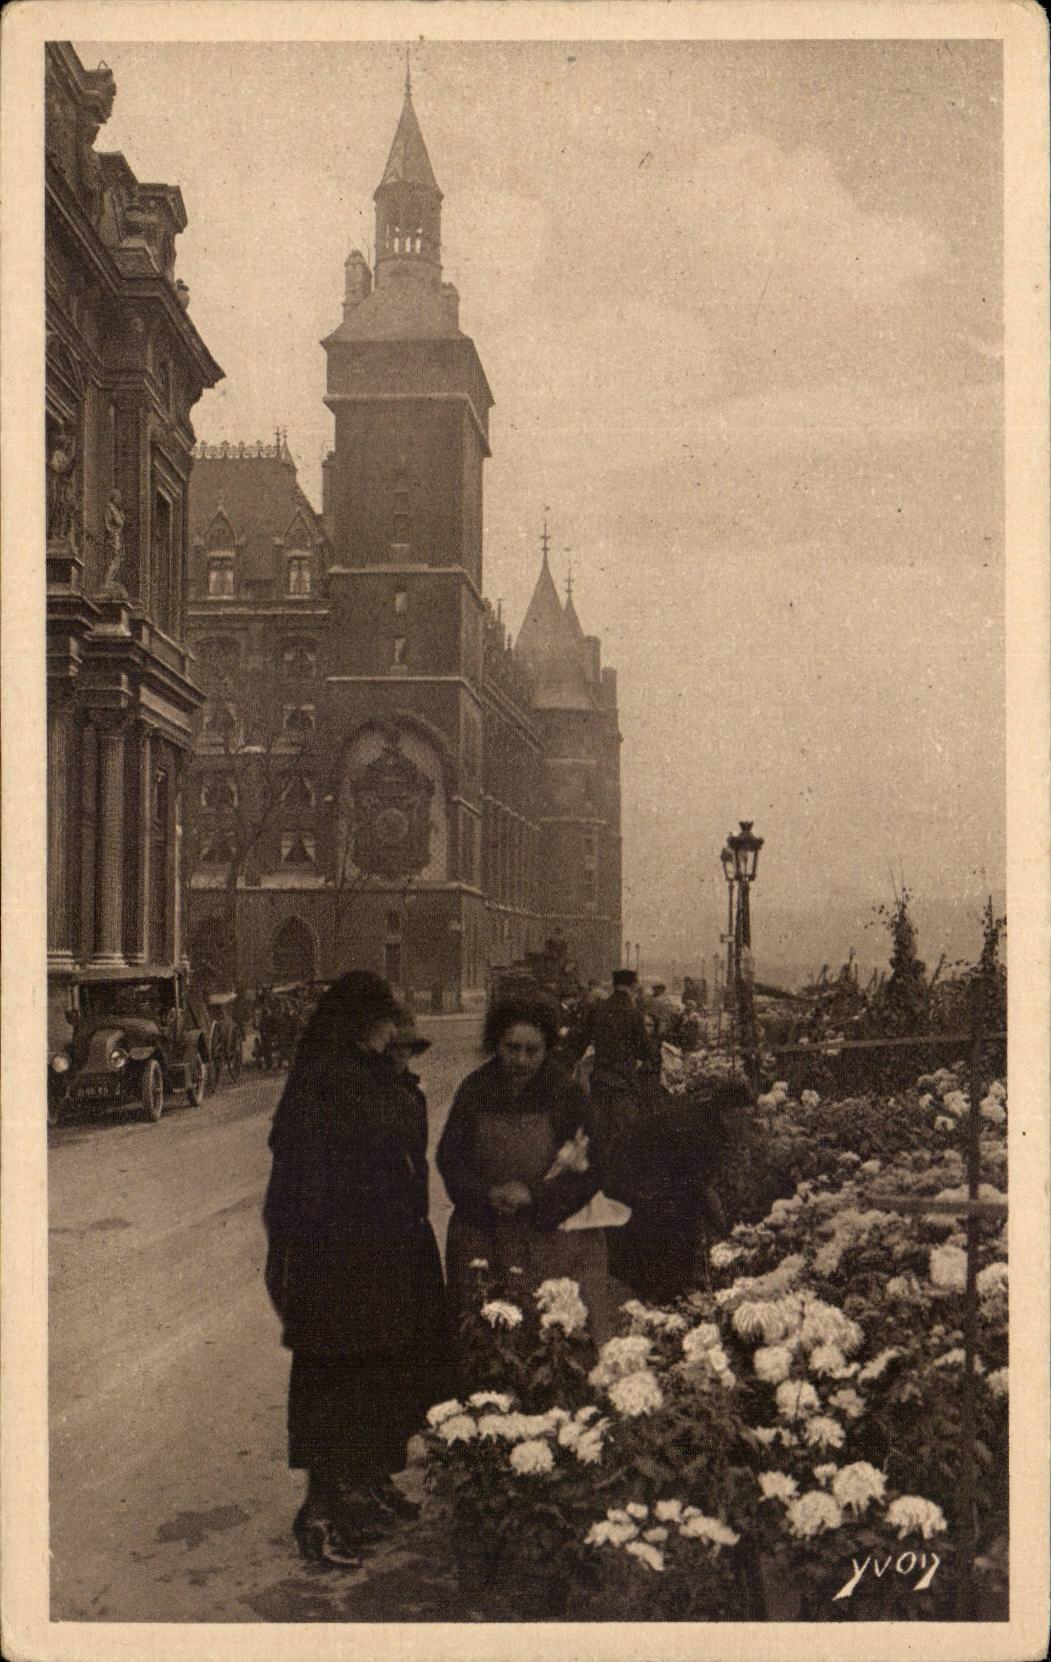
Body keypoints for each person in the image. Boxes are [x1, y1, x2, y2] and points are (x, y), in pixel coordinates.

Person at [262, 971, 449, 1569]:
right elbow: (310, 1179)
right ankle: (320, 1512)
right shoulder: (329, 1079)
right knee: (335, 1382)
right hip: (334, 1260)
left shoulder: (365, 1074)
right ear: (363, 1023)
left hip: (378, 1254)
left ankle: (361, 1488)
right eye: (389, 1019)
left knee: (377, 1375)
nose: (397, 1029)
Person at [437, 994, 617, 1346]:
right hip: (486, 1235)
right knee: (488, 1337)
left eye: (532, 1050)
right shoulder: (474, 1091)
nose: (521, 1060)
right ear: (495, 1044)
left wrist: (535, 1194)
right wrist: (486, 1194)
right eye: (511, 1048)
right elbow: (450, 1160)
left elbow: (595, 1166)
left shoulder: (565, 1093)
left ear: (547, 1047)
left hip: (554, 1240)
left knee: (554, 1335)